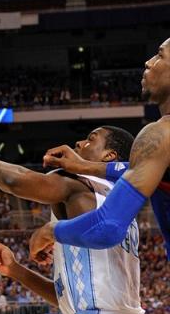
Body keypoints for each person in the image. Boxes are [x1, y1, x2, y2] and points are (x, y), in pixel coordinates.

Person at [0, 128, 148, 314]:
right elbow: (70, 300)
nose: (79, 143)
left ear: (109, 156)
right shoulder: (120, 203)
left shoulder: (79, 183)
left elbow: (14, 180)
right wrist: (15, 270)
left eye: (90, 139)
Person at [29, 38, 170, 261]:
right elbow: (144, 167)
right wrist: (86, 166)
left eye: (160, 55)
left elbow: (107, 227)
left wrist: (49, 232)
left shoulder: (161, 134)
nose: (148, 62)